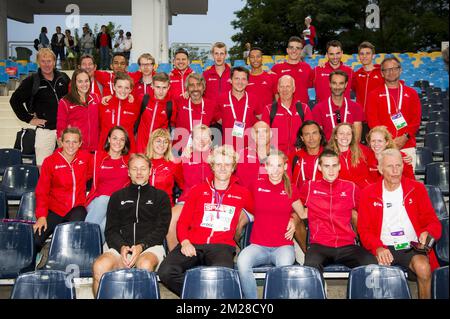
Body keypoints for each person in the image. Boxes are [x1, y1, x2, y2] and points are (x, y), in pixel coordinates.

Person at [158, 145, 253, 296]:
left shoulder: (242, 193)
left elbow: (262, 210)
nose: (222, 168)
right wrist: (185, 242)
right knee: (166, 271)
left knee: (222, 276)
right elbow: (182, 222)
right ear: (212, 166)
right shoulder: (197, 190)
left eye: (227, 164)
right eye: (218, 164)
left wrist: (291, 219)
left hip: (221, 246)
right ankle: (199, 295)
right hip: (194, 243)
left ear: (233, 167)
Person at [358, 148, 442, 299]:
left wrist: (428, 233)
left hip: (410, 244)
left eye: (398, 165)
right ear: (380, 169)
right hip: (383, 246)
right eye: (390, 166)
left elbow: (433, 222)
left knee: (423, 268)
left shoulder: (417, 188)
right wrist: (377, 247)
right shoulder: (368, 193)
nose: (396, 170)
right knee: (378, 277)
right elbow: (364, 230)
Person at [92, 153, 171, 296]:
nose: (139, 172)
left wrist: (141, 247)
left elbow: (161, 230)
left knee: (145, 266)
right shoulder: (117, 197)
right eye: (134, 169)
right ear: (128, 172)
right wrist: (121, 247)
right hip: (120, 248)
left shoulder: (161, 197)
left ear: (150, 170)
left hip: (149, 248)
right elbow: (110, 230)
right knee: (99, 266)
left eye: (143, 168)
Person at [237, 150, 302, 299]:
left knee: (284, 269)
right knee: (242, 262)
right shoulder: (255, 185)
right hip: (258, 246)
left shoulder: (291, 188)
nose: (275, 170)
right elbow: (244, 206)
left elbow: (302, 213)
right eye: (271, 166)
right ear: (265, 167)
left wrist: (294, 218)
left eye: (279, 165)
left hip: (283, 246)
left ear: (285, 167)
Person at [301, 149, 377, 274]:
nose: (331, 170)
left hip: (347, 245)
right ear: (320, 167)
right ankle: (319, 291)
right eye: (326, 166)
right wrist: (293, 219)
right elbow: (293, 205)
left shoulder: (351, 188)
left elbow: (367, 212)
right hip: (320, 245)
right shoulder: (309, 187)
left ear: (339, 166)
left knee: (371, 264)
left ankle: (359, 292)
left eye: (334, 165)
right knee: (310, 269)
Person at [33, 127, 92, 266]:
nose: (71, 145)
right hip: (55, 209)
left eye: (74, 142)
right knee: (36, 238)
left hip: (76, 208)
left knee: (70, 235)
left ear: (80, 143)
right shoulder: (50, 161)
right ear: (61, 142)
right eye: (67, 141)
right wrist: (41, 216)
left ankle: (61, 263)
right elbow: (42, 191)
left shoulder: (86, 157)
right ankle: (36, 259)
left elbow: (95, 171)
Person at [10, 48, 70, 167]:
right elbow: (14, 100)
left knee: (67, 165)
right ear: (38, 62)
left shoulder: (63, 77)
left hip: (65, 129)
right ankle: (44, 186)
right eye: (43, 61)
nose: (46, 64)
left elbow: (73, 98)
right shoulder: (32, 81)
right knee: (42, 166)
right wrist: (29, 119)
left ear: (54, 61)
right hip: (45, 129)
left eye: (49, 61)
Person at [366, 56, 421, 169]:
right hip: (383, 147)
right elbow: (373, 121)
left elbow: (415, 120)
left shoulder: (412, 93)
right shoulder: (374, 94)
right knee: (385, 183)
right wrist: (388, 140)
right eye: (387, 69)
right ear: (382, 73)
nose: (391, 72)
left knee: (407, 183)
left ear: (400, 70)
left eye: (394, 68)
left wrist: (405, 137)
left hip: (407, 146)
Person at [166, 124, 213, 251]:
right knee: (170, 219)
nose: (202, 141)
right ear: (192, 140)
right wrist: (181, 159)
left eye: (205, 137)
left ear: (210, 140)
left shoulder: (216, 157)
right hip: (187, 199)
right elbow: (176, 177)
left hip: (211, 200)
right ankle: (174, 255)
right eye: (198, 138)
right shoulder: (185, 157)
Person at [85, 126, 131, 242]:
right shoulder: (97, 157)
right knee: (105, 199)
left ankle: (89, 249)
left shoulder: (129, 161)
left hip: (118, 205)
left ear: (125, 142)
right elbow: (81, 176)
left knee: (106, 223)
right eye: (115, 138)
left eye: (122, 139)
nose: (118, 142)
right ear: (109, 139)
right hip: (96, 203)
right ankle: (84, 238)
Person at [262, 75, 313, 156]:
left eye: (288, 86)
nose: (285, 90)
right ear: (278, 89)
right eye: (282, 87)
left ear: (294, 89)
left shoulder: (304, 108)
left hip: (298, 155)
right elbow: (263, 138)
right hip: (276, 157)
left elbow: (310, 134)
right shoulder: (268, 110)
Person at [312, 70, 364, 142]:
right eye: (334, 83)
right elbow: (318, 138)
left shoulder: (356, 107)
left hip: (350, 151)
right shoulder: (318, 109)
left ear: (346, 84)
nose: (337, 87)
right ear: (329, 84)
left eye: (341, 83)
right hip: (328, 151)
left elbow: (357, 138)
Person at [56, 69, 101, 152]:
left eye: (86, 81)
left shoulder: (96, 98)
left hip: (94, 149)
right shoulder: (65, 102)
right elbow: (61, 127)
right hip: (75, 149)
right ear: (74, 83)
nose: (84, 84)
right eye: (80, 81)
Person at [217, 66, 260, 151]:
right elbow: (218, 119)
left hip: (249, 149)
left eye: (243, 79)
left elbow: (261, 120)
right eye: (236, 78)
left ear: (248, 82)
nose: (240, 82)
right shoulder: (221, 99)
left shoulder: (254, 99)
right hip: (228, 150)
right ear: (231, 80)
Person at [172, 73, 218, 153]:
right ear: (187, 88)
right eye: (191, 85)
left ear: (204, 87)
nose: (195, 88)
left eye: (199, 85)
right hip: (180, 151)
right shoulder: (179, 102)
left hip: (203, 151)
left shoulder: (211, 105)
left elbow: (219, 126)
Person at [98, 72, 140, 152]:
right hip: (105, 148)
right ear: (114, 87)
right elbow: (98, 126)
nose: (123, 91)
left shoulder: (135, 105)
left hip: (127, 149)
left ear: (131, 89)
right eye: (119, 87)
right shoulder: (104, 104)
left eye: (127, 88)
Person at [136, 72, 174, 153]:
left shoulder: (171, 105)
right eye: (158, 87)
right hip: (141, 147)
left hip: (158, 149)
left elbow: (172, 127)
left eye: (164, 87)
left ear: (169, 87)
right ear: (152, 86)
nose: (161, 91)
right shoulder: (143, 99)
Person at [145, 128, 184, 205]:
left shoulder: (174, 164)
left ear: (168, 145)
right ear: (151, 142)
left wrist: (180, 204)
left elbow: (184, 186)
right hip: (144, 208)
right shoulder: (143, 162)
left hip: (165, 208)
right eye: (158, 141)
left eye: (165, 142)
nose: (162, 145)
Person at [327, 123, 371, 189]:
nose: (345, 136)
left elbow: (374, 172)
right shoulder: (328, 155)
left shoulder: (364, 150)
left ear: (352, 136)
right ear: (335, 136)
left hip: (364, 191)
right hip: (341, 193)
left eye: (348, 134)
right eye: (341, 133)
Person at [271, 36, 312, 104]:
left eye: (297, 48)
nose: (294, 50)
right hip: (283, 110)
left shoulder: (307, 68)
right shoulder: (277, 68)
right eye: (291, 47)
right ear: (287, 50)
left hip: (302, 110)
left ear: (301, 51)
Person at [291, 120, 326, 190]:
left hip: (322, 199)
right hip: (299, 200)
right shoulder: (295, 157)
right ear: (302, 138)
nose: (311, 138)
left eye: (314, 133)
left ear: (320, 136)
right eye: (307, 134)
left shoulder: (330, 156)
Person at [351, 41, 384, 116]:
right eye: (362, 54)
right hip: (361, 117)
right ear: (359, 56)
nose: (364, 56)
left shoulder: (383, 72)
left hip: (378, 117)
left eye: (368, 53)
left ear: (373, 56)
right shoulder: (356, 75)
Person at [247, 47, 277, 112]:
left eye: (258, 56)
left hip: (267, 118)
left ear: (262, 58)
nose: (255, 59)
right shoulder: (244, 78)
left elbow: (278, 99)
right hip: (249, 119)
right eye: (252, 57)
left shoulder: (272, 76)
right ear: (249, 59)